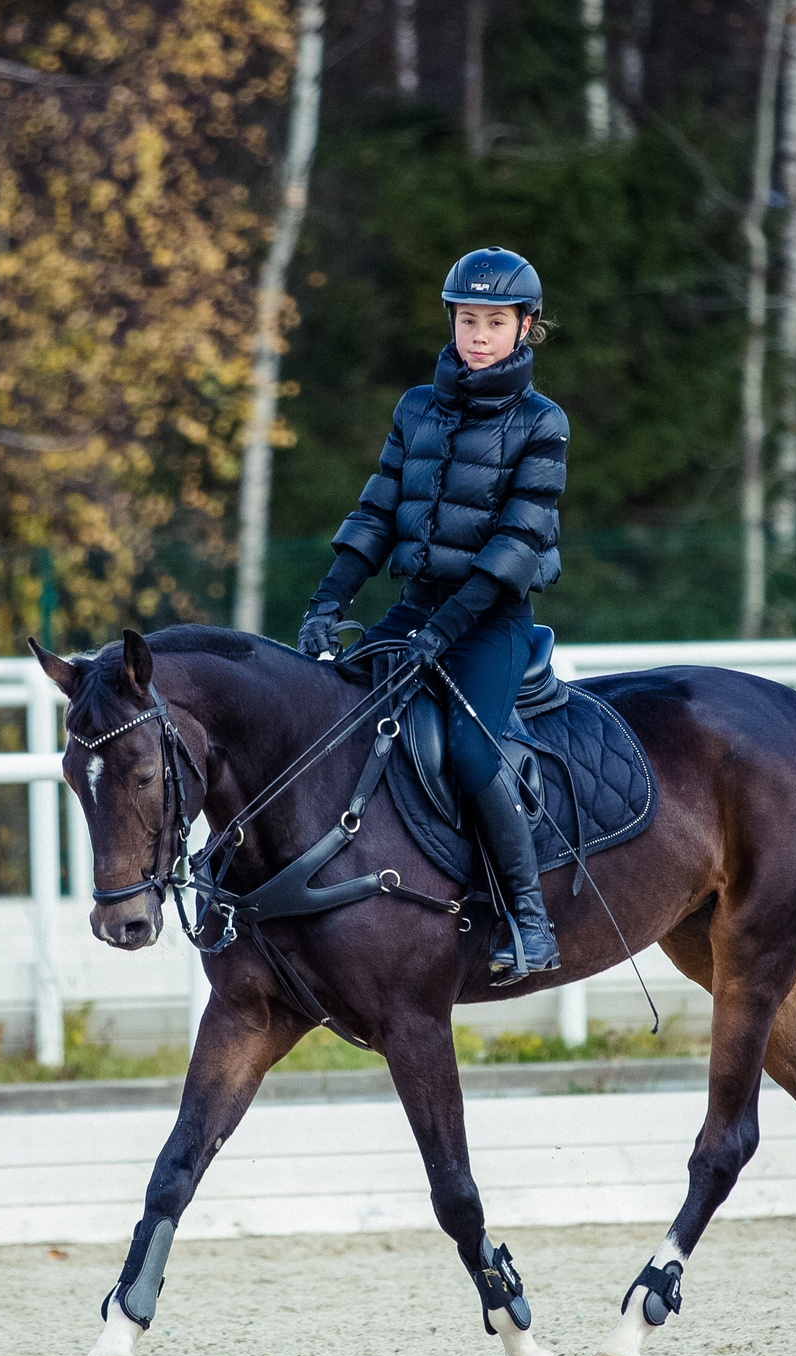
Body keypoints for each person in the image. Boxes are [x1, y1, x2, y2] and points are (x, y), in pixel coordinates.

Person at [298, 246, 568, 984]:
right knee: (330, 713)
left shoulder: (543, 423)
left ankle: (529, 919)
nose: (479, 335)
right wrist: (328, 600)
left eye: (495, 323)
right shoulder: (416, 407)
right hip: (415, 609)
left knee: (473, 753)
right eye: (467, 320)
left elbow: (515, 547)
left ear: (525, 327)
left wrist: (444, 632)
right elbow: (377, 511)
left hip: (489, 621)